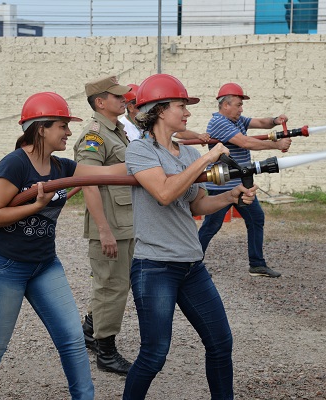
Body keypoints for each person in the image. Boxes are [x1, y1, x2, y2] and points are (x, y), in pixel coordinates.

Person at [0, 92, 126, 400]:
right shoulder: (14, 165)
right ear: (41, 128)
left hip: (43, 265)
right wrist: (34, 205)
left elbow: (106, 172)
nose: (68, 132)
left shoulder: (61, 168)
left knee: (71, 338)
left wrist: (147, 160)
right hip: (1, 266)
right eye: (62, 126)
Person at [122, 73, 257, 399]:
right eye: (181, 106)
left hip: (191, 265)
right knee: (154, 354)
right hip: (154, 266)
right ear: (157, 109)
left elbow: (195, 202)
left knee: (221, 342)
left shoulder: (187, 154)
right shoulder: (140, 151)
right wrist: (209, 158)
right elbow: (165, 193)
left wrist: (229, 197)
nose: (187, 112)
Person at [72, 75, 133, 375]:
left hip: (124, 221)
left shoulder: (117, 131)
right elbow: (88, 183)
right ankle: (106, 354)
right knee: (112, 287)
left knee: (113, 284)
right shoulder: (95, 135)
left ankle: (90, 331)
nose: (124, 100)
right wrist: (104, 229)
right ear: (100, 102)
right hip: (110, 224)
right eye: (117, 96)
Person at [198, 83, 291, 278]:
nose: (241, 109)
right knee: (211, 226)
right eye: (238, 105)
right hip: (223, 184)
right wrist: (276, 145)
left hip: (241, 183)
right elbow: (246, 142)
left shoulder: (237, 120)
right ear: (225, 105)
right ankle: (189, 264)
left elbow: (261, 122)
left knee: (256, 219)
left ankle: (257, 265)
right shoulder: (219, 123)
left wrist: (275, 120)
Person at [120, 82, 212, 143]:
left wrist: (198, 136)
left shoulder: (157, 124)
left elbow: (179, 133)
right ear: (130, 107)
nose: (146, 110)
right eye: (140, 106)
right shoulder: (121, 126)